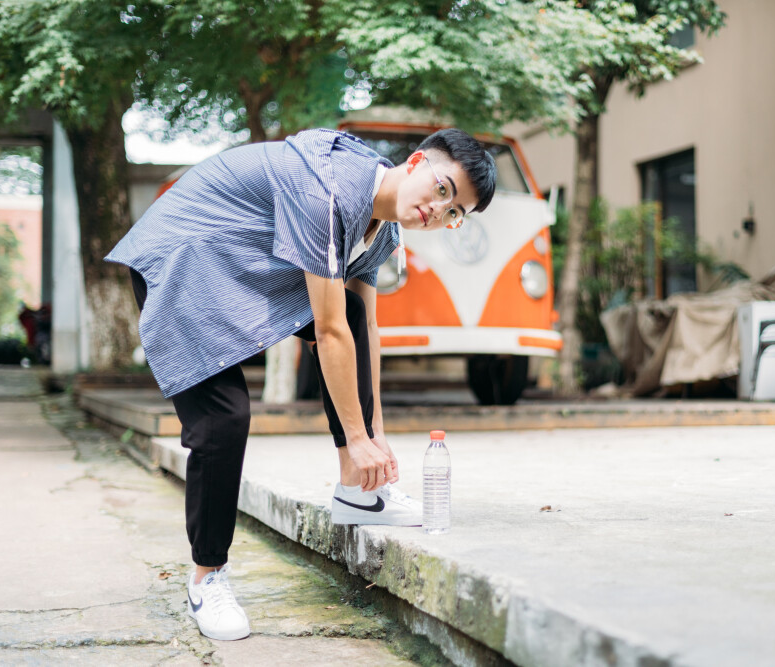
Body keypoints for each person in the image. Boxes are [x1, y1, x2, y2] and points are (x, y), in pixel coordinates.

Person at [106, 128, 497, 641]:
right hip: (188, 254)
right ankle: (208, 577)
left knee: (352, 310)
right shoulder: (329, 192)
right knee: (223, 419)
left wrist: (374, 435)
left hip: (247, 262)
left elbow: (363, 330)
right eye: (443, 191)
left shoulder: (382, 227)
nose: (439, 212)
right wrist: (357, 439)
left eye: (455, 213)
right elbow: (329, 332)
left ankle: (356, 492)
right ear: (418, 162)